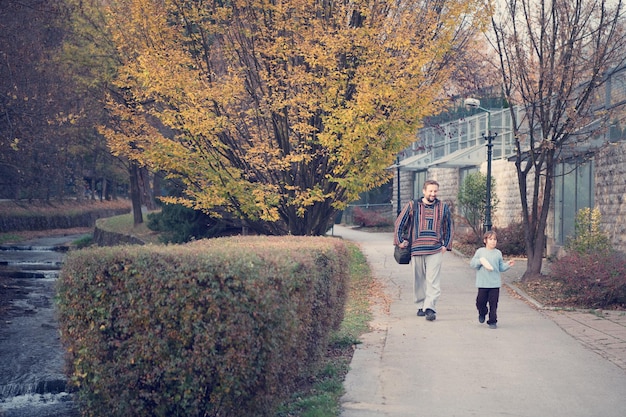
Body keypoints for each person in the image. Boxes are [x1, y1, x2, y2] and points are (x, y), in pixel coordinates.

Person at [394, 180, 454, 321]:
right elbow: (399, 223)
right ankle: (420, 305)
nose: (433, 194)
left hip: (435, 249)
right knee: (419, 280)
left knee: (433, 281)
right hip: (416, 249)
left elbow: (449, 226)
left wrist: (446, 245)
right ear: (424, 191)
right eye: (430, 191)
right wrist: (399, 241)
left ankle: (430, 308)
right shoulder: (412, 206)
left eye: (435, 191)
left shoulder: (443, 207)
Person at [470, 231, 515, 329]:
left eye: (495, 239)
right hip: (482, 283)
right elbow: (473, 264)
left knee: (493, 304)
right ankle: (482, 312)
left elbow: (500, 267)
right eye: (490, 239)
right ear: (485, 240)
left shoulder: (498, 253)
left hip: (494, 284)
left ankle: (492, 321)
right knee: (480, 302)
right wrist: (480, 262)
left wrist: (508, 265)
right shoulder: (480, 252)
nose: (493, 242)